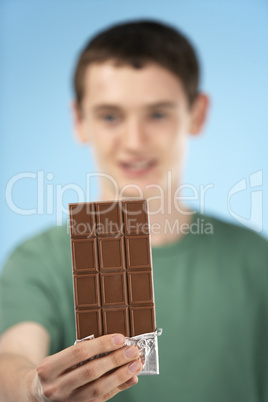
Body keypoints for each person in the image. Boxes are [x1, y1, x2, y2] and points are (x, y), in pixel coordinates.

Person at [0, 19, 267, 402]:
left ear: (197, 113)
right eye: (110, 116)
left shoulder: (257, 259)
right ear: (79, 120)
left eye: (157, 114)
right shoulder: (37, 261)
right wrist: (32, 389)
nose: (135, 141)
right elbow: (12, 355)